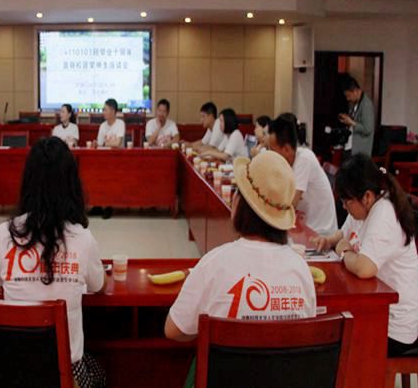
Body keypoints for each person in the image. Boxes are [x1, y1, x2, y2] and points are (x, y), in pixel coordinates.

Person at [0, 137, 107, 388]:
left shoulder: (5, 233)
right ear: (71, 184)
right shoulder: (82, 238)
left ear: (28, 181)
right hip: (65, 373)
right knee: (99, 372)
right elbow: (98, 286)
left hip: (16, 370)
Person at [165, 151, 316, 340]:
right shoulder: (301, 269)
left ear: (238, 204)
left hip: (222, 361)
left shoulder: (214, 263)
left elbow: (173, 330)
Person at [312, 154, 418, 357]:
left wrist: (344, 252)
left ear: (367, 197)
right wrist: (328, 240)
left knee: (328, 339)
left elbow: (363, 268)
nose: (344, 207)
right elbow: (343, 234)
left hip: (393, 326)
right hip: (374, 306)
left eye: (346, 202)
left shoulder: (384, 212)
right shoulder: (366, 205)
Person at [268, 113, 337, 236]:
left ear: (286, 149)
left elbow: (290, 205)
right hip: (304, 225)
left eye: (272, 150)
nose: (270, 154)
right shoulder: (288, 162)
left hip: (320, 233)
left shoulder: (304, 159)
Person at [338, 73, 375, 158]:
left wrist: (351, 122)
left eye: (348, 96)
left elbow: (367, 129)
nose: (347, 99)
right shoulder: (355, 103)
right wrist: (347, 119)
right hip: (349, 147)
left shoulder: (366, 104)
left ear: (355, 91)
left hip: (359, 151)